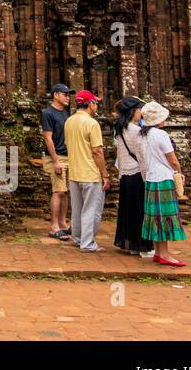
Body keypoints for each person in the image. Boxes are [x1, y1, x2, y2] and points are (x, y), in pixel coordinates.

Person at [139, 100, 187, 267]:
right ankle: (164, 253)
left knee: (156, 217)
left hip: (151, 177)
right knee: (165, 216)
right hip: (164, 177)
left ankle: (159, 251)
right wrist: (179, 173)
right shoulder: (161, 135)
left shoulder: (143, 135)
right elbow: (172, 160)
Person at [64, 89, 110, 252]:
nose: (96, 106)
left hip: (75, 172)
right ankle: (88, 243)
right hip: (90, 173)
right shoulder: (91, 123)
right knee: (91, 209)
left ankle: (78, 238)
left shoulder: (69, 121)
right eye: (95, 103)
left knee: (77, 209)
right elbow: (97, 151)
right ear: (90, 104)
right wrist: (105, 174)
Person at [112, 96, 154, 257]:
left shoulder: (121, 129)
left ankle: (130, 243)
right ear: (132, 112)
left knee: (128, 210)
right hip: (137, 174)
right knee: (140, 211)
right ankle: (143, 245)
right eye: (139, 110)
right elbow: (143, 156)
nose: (141, 114)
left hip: (125, 174)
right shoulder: (137, 131)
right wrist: (147, 175)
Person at [40, 84, 73, 240]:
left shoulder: (65, 113)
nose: (68, 97)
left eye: (68, 94)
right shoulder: (48, 113)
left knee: (65, 192)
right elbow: (48, 138)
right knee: (58, 191)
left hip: (67, 156)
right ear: (55, 95)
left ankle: (63, 223)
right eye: (65, 94)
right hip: (56, 157)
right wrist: (55, 161)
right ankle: (54, 226)